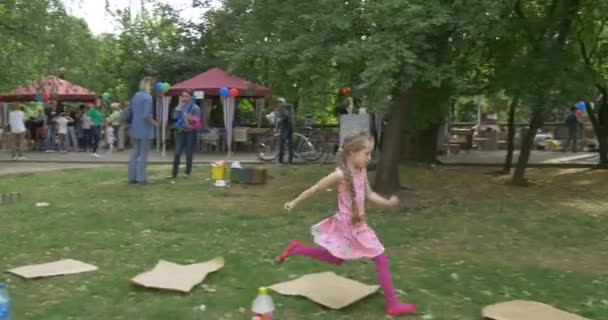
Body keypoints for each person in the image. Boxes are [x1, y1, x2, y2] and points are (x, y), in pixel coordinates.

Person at [279, 131, 417, 316]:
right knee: (381, 258)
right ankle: (392, 304)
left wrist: (388, 203)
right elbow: (316, 188)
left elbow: (369, 194)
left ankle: (297, 249)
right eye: (366, 153)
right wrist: (294, 202)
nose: (370, 157)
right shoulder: (339, 175)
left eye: (370, 153)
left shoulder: (361, 171)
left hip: (356, 225)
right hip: (348, 226)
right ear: (351, 153)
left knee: (336, 259)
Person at [128, 77, 157, 185]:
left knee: (135, 153)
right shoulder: (148, 97)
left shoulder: (136, 95)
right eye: (152, 85)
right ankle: (141, 179)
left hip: (135, 127)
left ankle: (132, 178)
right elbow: (146, 115)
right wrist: (155, 123)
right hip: (145, 129)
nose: (153, 87)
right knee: (143, 155)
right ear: (148, 85)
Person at [170, 89, 201, 178]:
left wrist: (190, 119)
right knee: (177, 152)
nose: (184, 98)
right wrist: (178, 107)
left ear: (191, 97)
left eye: (186, 96)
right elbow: (174, 117)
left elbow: (197, 122)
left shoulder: (195, 108)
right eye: (183, 96)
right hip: (180, 131)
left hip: (190, 132)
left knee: (189, 152)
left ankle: (187, 173)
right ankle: (174, 174)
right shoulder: (181, 107)